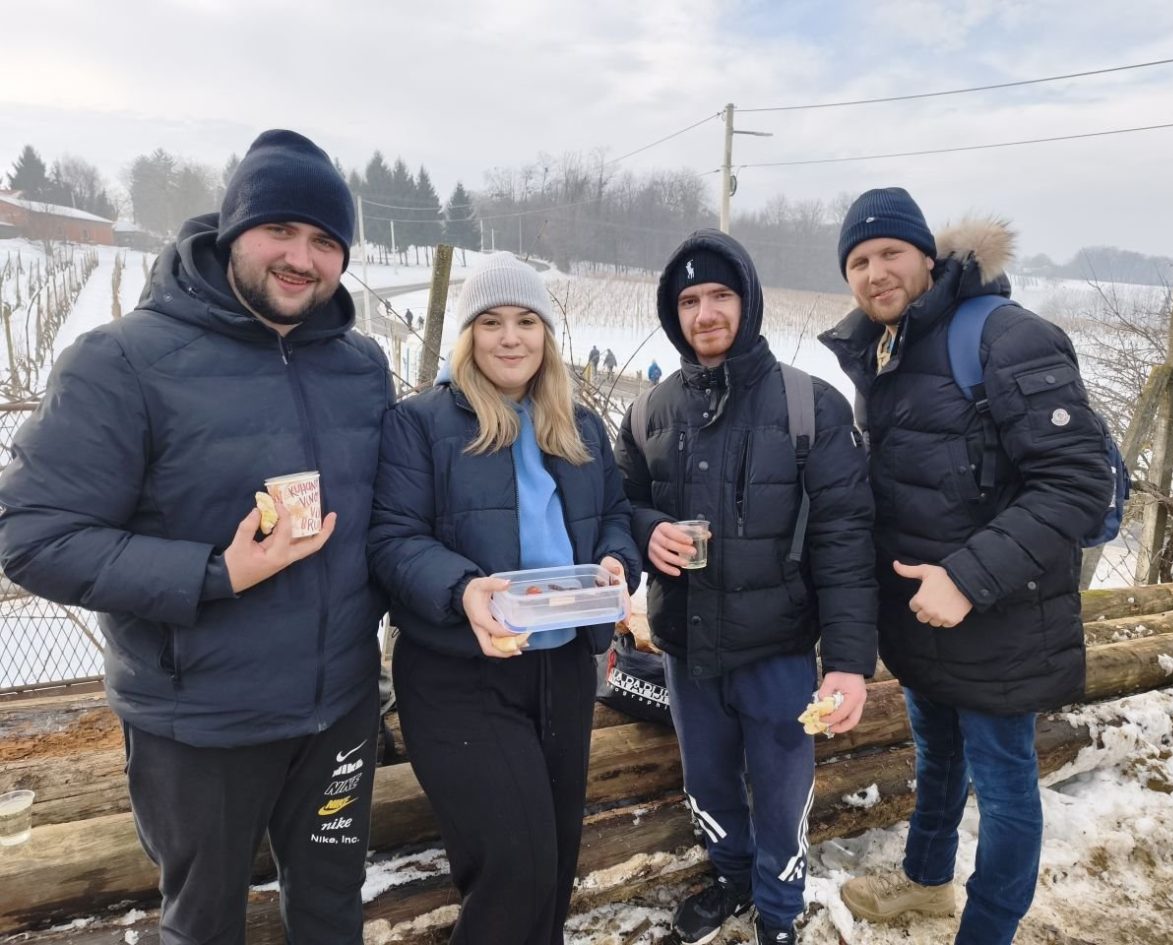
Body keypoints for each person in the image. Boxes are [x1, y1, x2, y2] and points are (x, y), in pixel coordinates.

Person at [0, 130, 393, 944]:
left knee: (332, 907)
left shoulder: (359, 365)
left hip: (340, 711)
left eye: (326, 241)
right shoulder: (123, 361)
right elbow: (30, 532)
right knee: (205, 924)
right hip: (202, 723)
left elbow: (389, 520)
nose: (302, 258)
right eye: (280, 229)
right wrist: (216, 572)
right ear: (232, 230)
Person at [819, 188, 1114, 945]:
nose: (875, 273)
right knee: (938, 754)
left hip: (1000, 614)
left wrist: (967, 578)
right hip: (925, 614)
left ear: (929, 255)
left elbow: (1076, 482)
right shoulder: (887, 348)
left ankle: (986, 931)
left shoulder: (1005, 336)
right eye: (858, 261)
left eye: (890, 253)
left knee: (1006, 786)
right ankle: (925, 882)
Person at [368, 251, 641, 945]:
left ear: (547, 333)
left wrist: (618, 561)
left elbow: (615, 515)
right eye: (491, 322)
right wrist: (463, 589)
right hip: (460, 674)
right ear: (468, 335)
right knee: (516, 869)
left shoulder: (578, 425)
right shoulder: (421, 424)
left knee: (554, 867)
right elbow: (392, 539)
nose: (511, 337)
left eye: (526, 320)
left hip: (563, 669)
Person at [615, 229, 878, 945]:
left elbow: (847, 542)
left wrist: (848, 663)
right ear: (673, 313)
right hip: (686, 649)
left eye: (720, 295)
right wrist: (646, 529)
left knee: (783, 794)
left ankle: (779, 912)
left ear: (749, 301)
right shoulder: (648, 412)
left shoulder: (810, 406)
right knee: (708, 782)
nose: (705, 313)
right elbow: (616, 507)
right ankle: (731, 878)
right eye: (689, 301)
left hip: (779, 651)